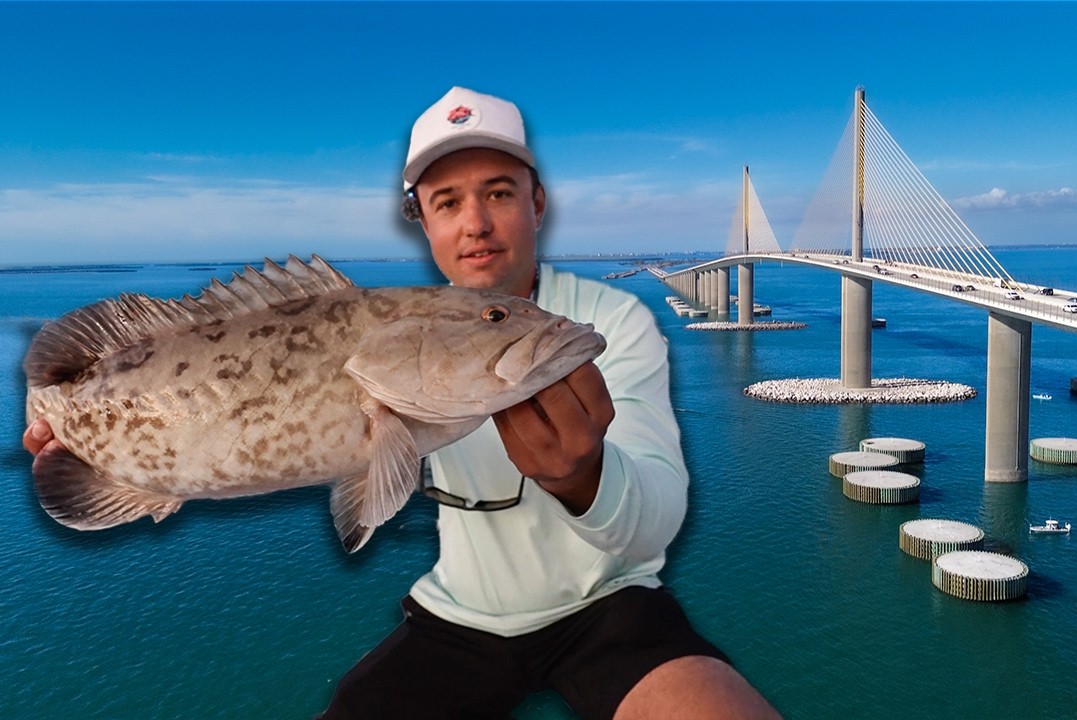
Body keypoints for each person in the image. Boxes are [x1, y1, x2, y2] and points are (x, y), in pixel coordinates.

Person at [23, 86, 780, 720]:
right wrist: (64, 416)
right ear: (420, 216)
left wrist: (586, 479)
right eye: (447, 201)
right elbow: (368, 486)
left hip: (611, 606)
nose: (475, 222)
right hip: (462, 618)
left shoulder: (607, 326)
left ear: (538, 201)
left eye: (499, 193)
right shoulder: (407, 328)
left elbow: (659, 517)